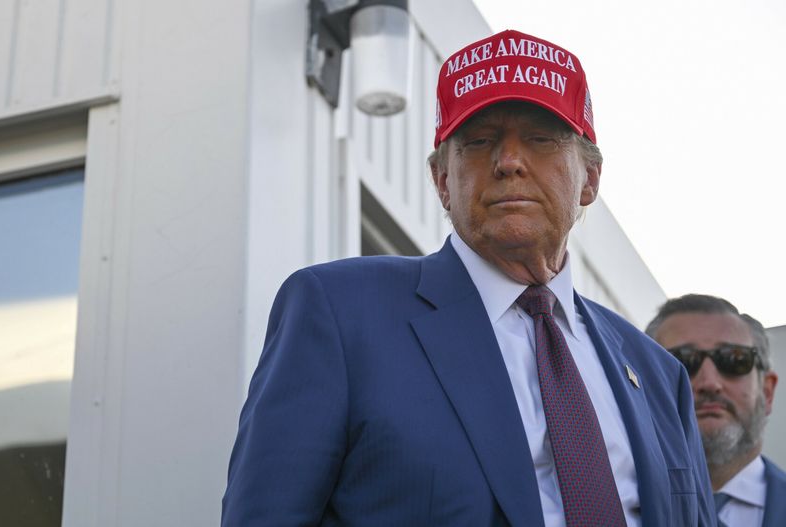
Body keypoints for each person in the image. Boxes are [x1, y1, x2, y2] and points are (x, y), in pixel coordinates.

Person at [223, 29, 713, 526]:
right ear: (441, 181)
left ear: (589, 179)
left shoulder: (657, 374)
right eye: (479, 142)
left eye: (541, 139)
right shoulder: (341, 313)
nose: (509, 162)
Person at [646, 294, 785, 527]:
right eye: (681, 363)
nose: (709, 383)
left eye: (733, 359)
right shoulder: (610, 502)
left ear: (767, 391)